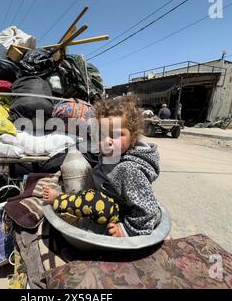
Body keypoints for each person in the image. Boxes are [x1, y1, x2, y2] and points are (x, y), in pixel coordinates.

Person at [43, 96, 161, 237]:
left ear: (133, 138)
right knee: (88, 191)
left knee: (94, 202)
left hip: (132, 218)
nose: (106, 141)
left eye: (116, 134)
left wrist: (126, 230)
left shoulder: (128, 169)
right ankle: (72, 203)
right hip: (115, 205)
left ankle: (60, 200)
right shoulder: (110, 156)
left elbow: (146, 210)